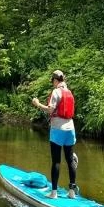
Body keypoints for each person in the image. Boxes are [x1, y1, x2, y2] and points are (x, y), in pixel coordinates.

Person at [32, 70, 78, 199]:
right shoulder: (70, 93)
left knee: (56, 161)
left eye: (52, 81)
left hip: (58, 129)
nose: (53, 83)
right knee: (70, 161)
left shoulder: (56, 92)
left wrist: (37, 104)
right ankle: (72, 192)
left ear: (55, 80)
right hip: (70, 129)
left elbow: (50, 109)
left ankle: (54, 193)